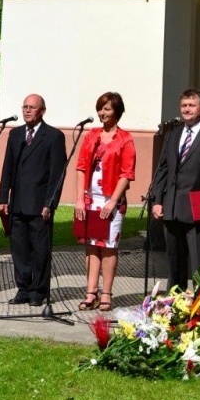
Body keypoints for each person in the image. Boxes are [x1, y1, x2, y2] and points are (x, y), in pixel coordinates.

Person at [151, 87, 200, 291]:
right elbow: (163, 170)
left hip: (199, 212)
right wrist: (157, 200)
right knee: (174, 266)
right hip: (172, 208)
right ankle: (174, 311)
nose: (187, 109)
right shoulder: (173, 135)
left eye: (191, 105)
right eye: (184, 105)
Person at [0, 94, 67, 307]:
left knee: (39, 250)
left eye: (32, 107)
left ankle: (38, 290)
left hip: (39, 204)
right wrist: (2, 197)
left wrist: (50, 203)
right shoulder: (15, 134)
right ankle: (23, 289)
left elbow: (57, 174)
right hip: (17, 202)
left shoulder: (53, 136)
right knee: (19, 249)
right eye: (25, 107)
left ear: (42, 111)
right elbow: (7, 167)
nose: (27, 110)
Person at [73, 92, 136, 312]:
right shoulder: (91, 135)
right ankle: (91, 292)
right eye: (100, 108)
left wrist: (112, 201)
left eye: (107, 109)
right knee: (92, 247)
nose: (102, 113)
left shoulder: (125, 139)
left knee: (108, 247)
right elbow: (81, 168)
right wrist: (80, 199)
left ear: (117, 111)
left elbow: (127, 174)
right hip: (91, 199)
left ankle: (107, 293)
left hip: (112, 202)